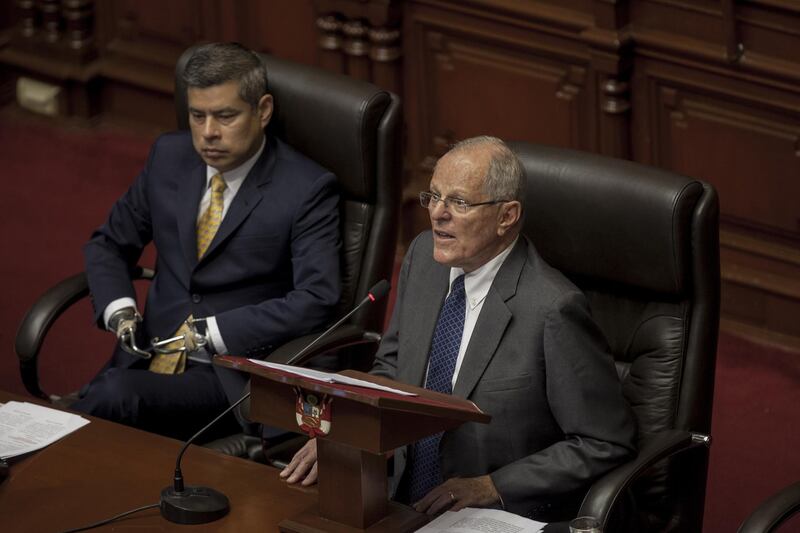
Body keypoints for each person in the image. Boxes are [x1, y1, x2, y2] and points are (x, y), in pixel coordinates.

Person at [280, 136, 635, 521]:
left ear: (507, 216)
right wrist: (348, 432)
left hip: (494, 512)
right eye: (433, 196)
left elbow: (603, 441)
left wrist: (492, 486)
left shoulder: (553, 309)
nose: (437, 214)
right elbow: (392, 369)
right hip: (397, 495)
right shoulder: (423, 258)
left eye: (459, 203)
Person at [71, 42, 341, 441]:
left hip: (226, 376)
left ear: (263, 111)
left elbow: (318, 297)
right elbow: (109, 243)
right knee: (102, 421)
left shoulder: (306, 188)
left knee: (109, 401)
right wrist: (121, 311)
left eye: (225, 116)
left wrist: (212, 332)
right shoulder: (169, 155)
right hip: (146, 355)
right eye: (198, 116)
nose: (208, 132)